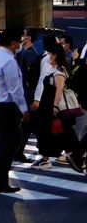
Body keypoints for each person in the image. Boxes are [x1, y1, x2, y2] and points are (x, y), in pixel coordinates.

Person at [0, 27, 29, 194]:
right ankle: (0, 181)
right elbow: (15, 88)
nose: (20, 45)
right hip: (7, 107)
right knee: (8, 145)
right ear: (13, 43)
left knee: (11, 141)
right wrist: (24, 109)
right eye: (19, 42)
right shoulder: (9, 61)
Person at [31, 40, 85, 170]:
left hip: (52, 107)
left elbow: (59, 89)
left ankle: (54, 158)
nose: (49, 56)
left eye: (50, 54)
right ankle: (65, 155)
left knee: (52, 132)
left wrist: (54, 106)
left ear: (55, 55)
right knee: (57, 132)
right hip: (49, 107)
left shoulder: (59, 71)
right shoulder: (56, 69)